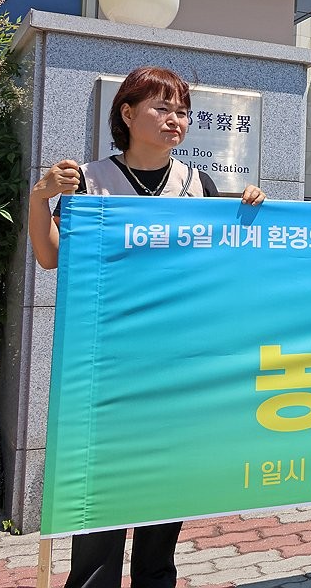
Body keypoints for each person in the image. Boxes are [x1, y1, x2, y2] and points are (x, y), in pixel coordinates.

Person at [28, 66, 266, 587]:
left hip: (175, 363)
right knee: (102, 488)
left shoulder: (198, 186)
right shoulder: (89, 181)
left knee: (165, 488)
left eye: (182, 111)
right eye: (161, 108)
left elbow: (221, 268)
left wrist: (248, 210)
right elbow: (50, 258)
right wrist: (39, 198)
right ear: (128, 114)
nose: (174, 120)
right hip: (107, 362)